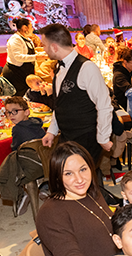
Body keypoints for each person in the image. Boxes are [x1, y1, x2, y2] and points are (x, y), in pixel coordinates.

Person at [36, 142, 132, 256]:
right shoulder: (51, 213)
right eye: (68, 174)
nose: (79, 179)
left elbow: (110, 223)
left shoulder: (91, 192)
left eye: (83, 169)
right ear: (57, 176)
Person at [39, 24, 113, 164]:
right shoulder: (59, 67)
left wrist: (103, 138)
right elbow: (60, 104)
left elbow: (104, 105)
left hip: (86, 137)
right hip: (66, 137)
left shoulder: (87, 68)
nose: (43, 49)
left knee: (83, 179)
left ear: (54, 47)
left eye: (44, 45)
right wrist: (52, 131)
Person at [2, 18, 44, 97]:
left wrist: (43, 53)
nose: (33, 29)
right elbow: (18, 57)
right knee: (18, 96)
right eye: (31, 26)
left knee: (27, 95)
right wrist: (37, 57)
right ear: (25, 28)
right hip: (15, 72)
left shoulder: (28, 39)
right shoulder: (15, 39)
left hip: (25, 72)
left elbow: (30, 52)